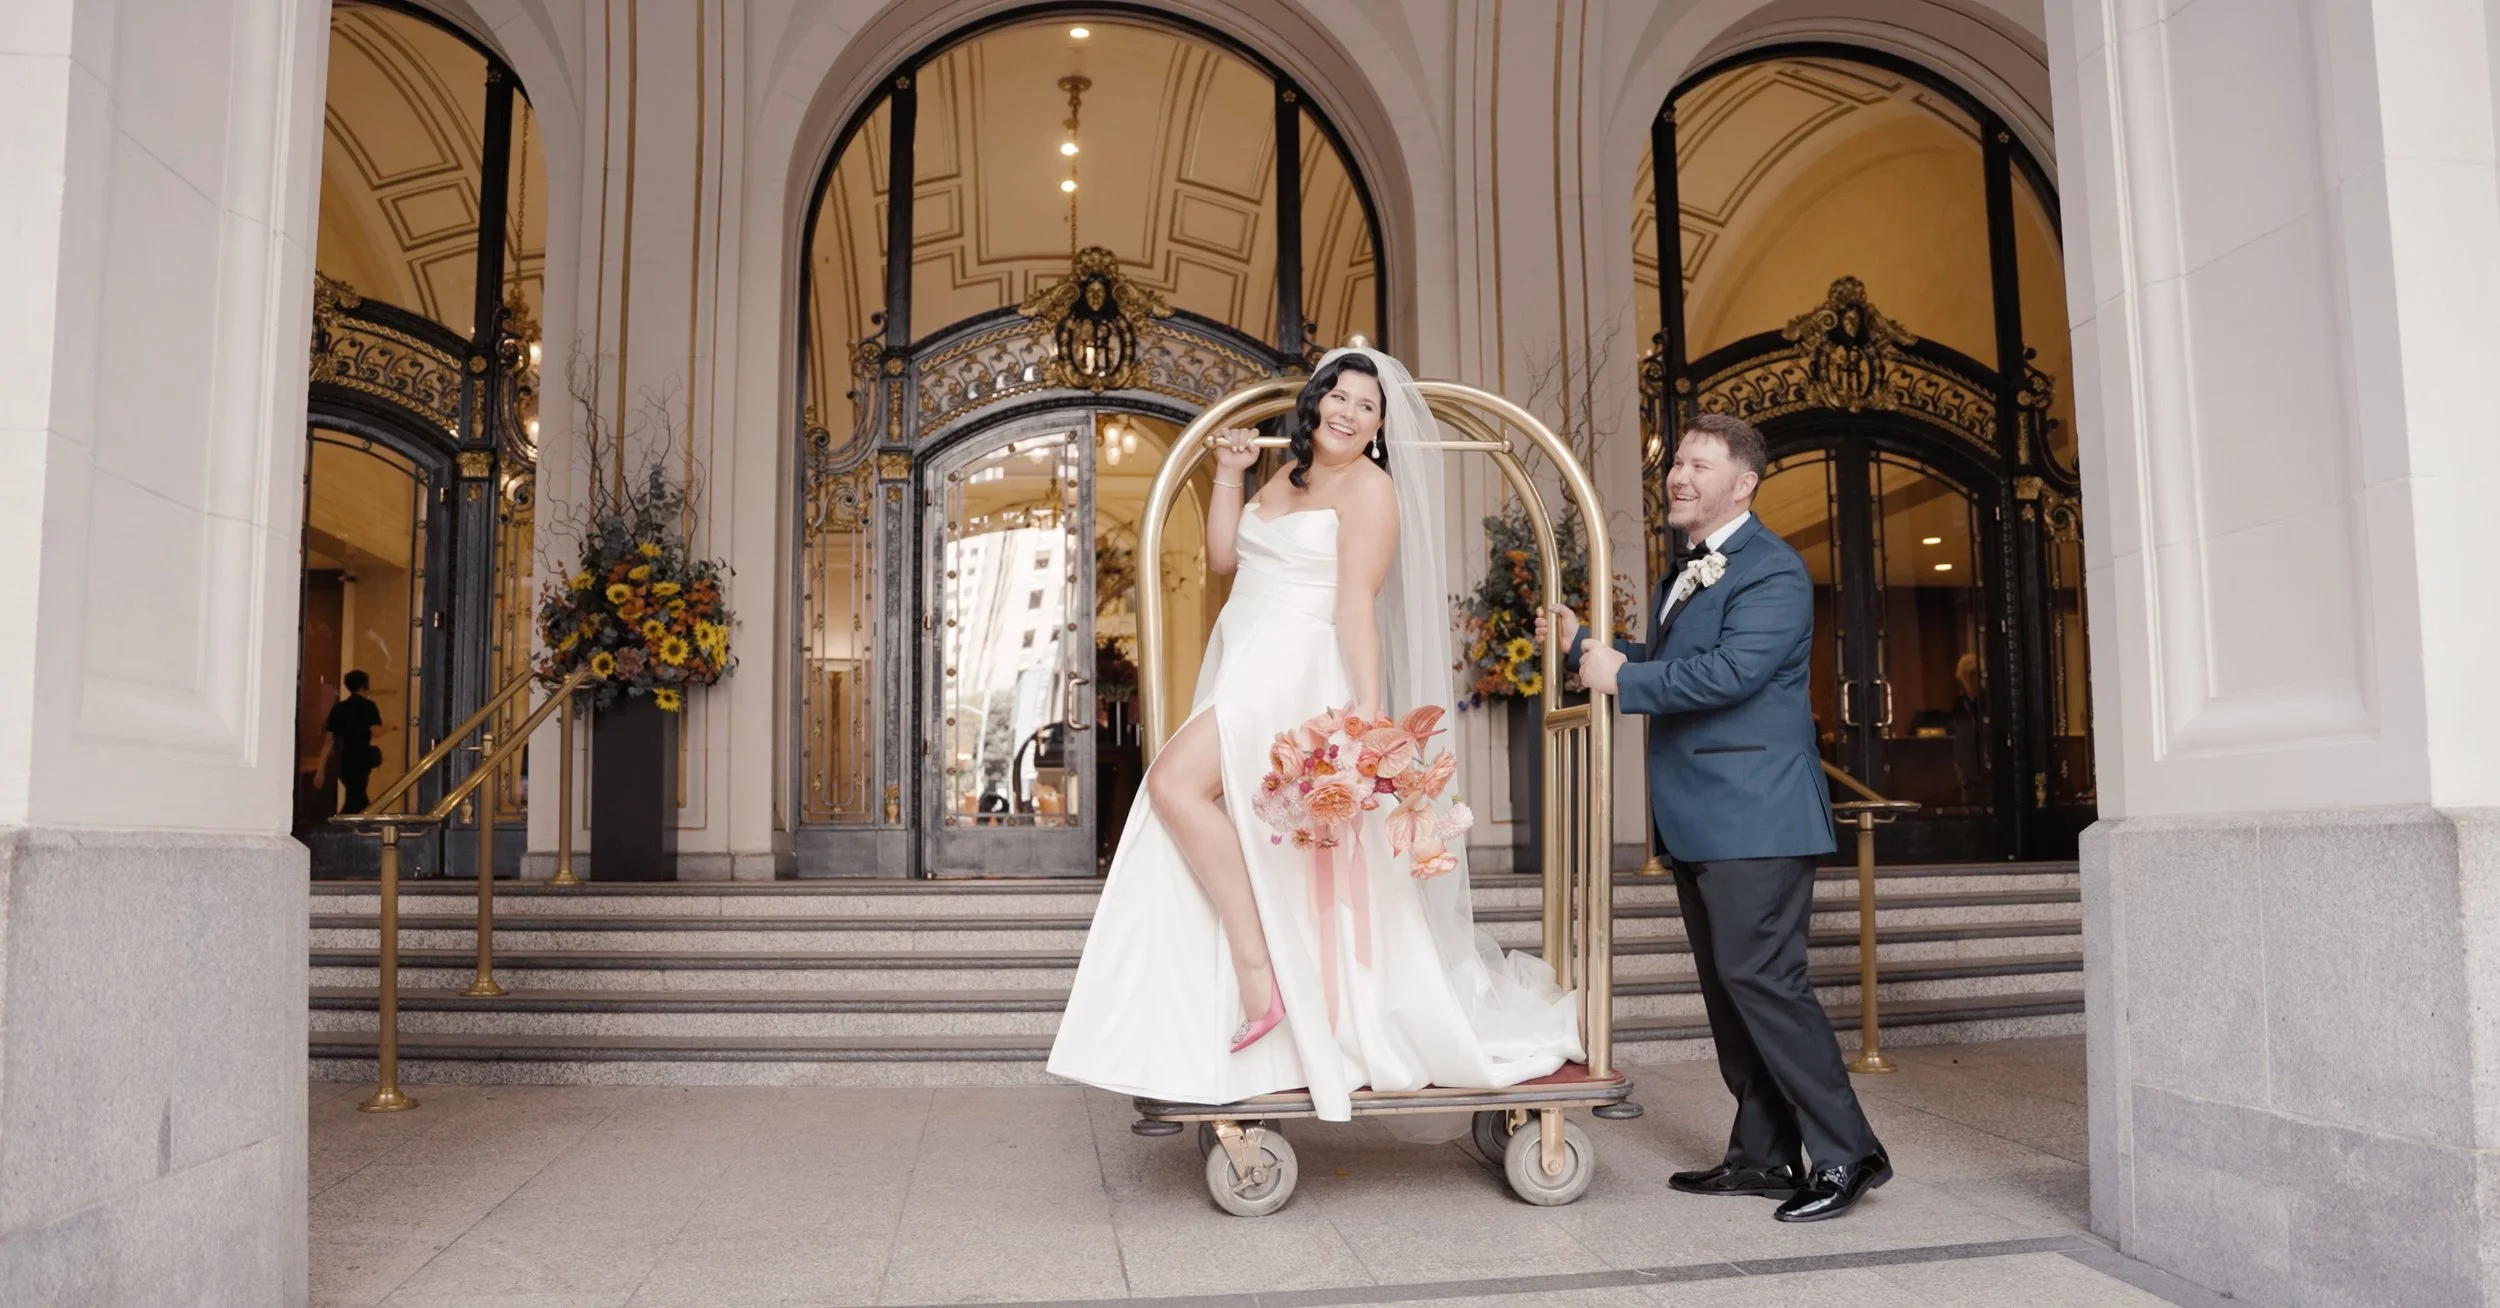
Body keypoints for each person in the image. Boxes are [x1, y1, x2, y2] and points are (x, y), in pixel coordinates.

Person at [1048, 349, 1583, 1121]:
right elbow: (1228, 559)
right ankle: (1263, 983)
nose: (1348, 410)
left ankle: (1259, 971)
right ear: (1316, 401)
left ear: (1379, 425)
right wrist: (1229, 474)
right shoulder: (1288, 476)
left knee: (1171, 786)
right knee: (1211, 810)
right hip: (1246, 659)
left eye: (1366, 404)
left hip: (1295, 674)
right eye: (1337, 393)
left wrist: (1365, 718)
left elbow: (1354, 605)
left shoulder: (1372, 488)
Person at [1540, 412, 1889, 1223]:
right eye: (1676, 463)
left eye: (1699, 464)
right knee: (1733, 993)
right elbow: (1672, 663)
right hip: (1703, 815)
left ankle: (1849, 1152)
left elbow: (1729, 673)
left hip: (1756, 814)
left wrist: (1618, 675)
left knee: (1765, 982)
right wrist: (1583, 645)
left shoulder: (1772, 569)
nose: (1679, 476)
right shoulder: (1691, 570)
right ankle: (1765, 1158)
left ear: (1744, 483)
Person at [315, 670, 388, 815]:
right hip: (361, 759)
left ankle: (359, 824)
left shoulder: (339, 708)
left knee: (355, 797)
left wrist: (320, 771)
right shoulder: (368, 706)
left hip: (344, 760)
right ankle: (345, 829)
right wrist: (390, 726)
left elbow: (328, 742)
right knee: (357, 798)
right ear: (363, 685)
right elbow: (376, 732)